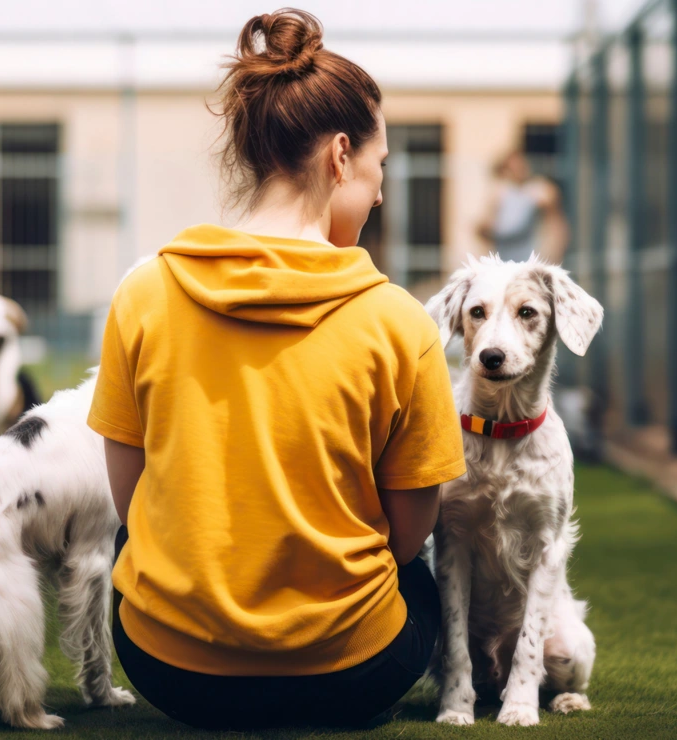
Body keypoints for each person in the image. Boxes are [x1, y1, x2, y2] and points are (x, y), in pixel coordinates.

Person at [87, 8, 466, 731]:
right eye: (379, 168)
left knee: (130, 542)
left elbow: (132, 502)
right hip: (354, 672)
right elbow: (410, 531)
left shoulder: (143, 293)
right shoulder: (399, 320)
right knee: (416, 576)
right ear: (340, 155)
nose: (380, 192)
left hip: (169, 671)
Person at [477, 150, 569, 264]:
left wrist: (553, 253)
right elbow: (487, 228)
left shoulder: (539, 192)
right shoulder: (500, 195)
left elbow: (556, 226)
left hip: (531, 259)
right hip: (505, 259)